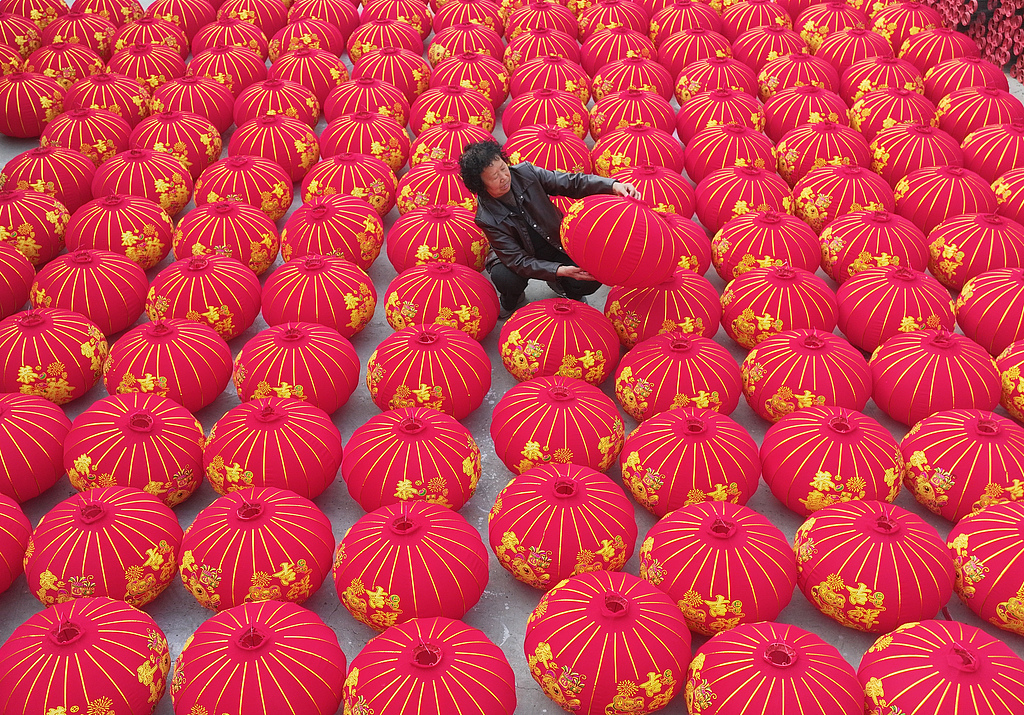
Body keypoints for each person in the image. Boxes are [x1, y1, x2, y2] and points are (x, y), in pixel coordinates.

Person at [458, 141, 640, 318]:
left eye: (503, 168)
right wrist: (559, 270)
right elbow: (516, 260)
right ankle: (513, 298)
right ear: (481, 185)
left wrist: (612, 186)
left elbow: (571, 182)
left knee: (589, 275)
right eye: (494, 177)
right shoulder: (486, 217)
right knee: (505, 278)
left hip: (554, 241)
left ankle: (566, 289)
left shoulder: (526, 173)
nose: (504, 177)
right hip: (515, 256)